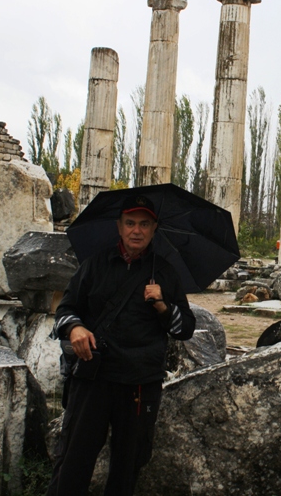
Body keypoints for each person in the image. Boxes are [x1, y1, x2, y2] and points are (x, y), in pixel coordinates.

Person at [47, 195, 196, 496]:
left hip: (140, 383)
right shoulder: (94, 265)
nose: (136, 231)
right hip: (93, 377)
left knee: (128, 466)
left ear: (155, 228)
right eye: (130, 223)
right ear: (119, 226)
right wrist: (75, 328)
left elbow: (185, 329)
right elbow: (64, 311)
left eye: (144, 224)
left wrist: (162, 305)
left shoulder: (165, 272)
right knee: (73, 462)